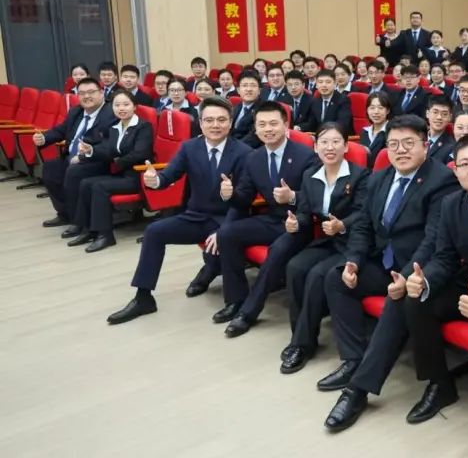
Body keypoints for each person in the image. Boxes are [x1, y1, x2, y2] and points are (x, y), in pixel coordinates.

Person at [322, 132, 468, 434]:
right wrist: (355, 261)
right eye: (393, 144)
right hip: (393, 264)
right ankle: (357, 363)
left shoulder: (445, 183)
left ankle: (357, 389)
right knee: (336, 278)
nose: (400, 150)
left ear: (426, 146)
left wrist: (413, 276)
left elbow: (432, 242)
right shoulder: (381, 177)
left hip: (447, 273)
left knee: (406, 300)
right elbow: (364, 225)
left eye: (409, 143)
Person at [106, 97, 253, 324]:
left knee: (224, 243)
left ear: (231, 123)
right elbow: (169, 175)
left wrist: (225, 229)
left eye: (221, 120)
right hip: (196, 217)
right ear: (200, 123)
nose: (215, 125)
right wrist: (155, 181)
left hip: (227, 218)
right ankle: (143, 298)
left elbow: (243, 200)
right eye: (209, 120)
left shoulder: (245, 152)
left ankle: (235, 301)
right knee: (154, 232)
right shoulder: (189, 147)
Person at [218, 102, 320, 337]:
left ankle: (248, 312)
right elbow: (244, 198)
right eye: (262, 125)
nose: (268, 129)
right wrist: (230, 194)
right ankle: (235, 300)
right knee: (226, 234)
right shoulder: (253, 158)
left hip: (300, 223)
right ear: (255, 128)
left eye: (273, 123)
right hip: (272, 219)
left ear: (286, 125)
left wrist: (292, 197)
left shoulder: (306, 155)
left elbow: (315, 196)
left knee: (278, 249)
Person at [279, 123, 371, 373]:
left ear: (346, 146)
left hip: (351, 242)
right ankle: (299, 333)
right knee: (295, 267)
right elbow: (305, 213)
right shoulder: (311, 176)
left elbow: (364, 213)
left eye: (336, 142)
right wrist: (296, 222)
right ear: (316, 147)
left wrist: (342, 225)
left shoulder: (360, 175)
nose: (330, 147)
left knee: (317, 275)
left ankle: (302, 345)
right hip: (327, 241)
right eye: (324, 142)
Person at [64, 90, 153, 252]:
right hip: (120, 174)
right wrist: (91, 150)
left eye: (126, 104)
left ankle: (105, 235)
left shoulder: (143, 126)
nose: (121, 108)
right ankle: (88, 229)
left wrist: (118, 161)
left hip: (137, 176)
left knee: (99, 187)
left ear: (135, 107)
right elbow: (108, 150)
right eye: (117, 105)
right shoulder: (115, 127)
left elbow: (140, 153)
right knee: (86, 183)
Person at [38, 78, 116, 230]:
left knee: (74, 172)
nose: (86, 96)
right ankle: (64, 214)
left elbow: (110, 144)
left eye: (91, 92)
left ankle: (78, 221)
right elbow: (61, 130)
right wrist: (44, 137)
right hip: (71, 157)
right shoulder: (76, 111)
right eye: (82, 93)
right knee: (50, 168)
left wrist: (83, 156)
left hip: (97, 161)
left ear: (101, 93)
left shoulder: (110, 113)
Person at [305, 69, 353, 136]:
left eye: (328, 82)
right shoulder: (315, 101)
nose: (324, 85)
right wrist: (299, 128)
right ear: (316, 85)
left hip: (338, 136)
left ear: (335, 83)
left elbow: (342, 125)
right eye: (320, 82)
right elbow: (312, 124)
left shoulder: (343, 100)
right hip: (320, 136)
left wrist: (320, 134)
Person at [359, 91, 392, 167]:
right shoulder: (365, 131)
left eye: (380, 108)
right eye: (372, 108)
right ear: (367, 110)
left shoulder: (392, 132)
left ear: (388, 111)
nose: (376, 112)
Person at [231, 70, 263, 148]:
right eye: (245, 85)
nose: (248, 89)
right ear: (238, 90)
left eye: (253, 85)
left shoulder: (263, 110)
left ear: (259, 91)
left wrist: (231, 148)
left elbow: (253, 138)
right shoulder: (235, 107)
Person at [425, 96, 456, 165]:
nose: (439, 117)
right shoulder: (416, 138)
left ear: (450, 117)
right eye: (435, 112)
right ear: (427, 114)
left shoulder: (451, 147)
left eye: (444, 114)